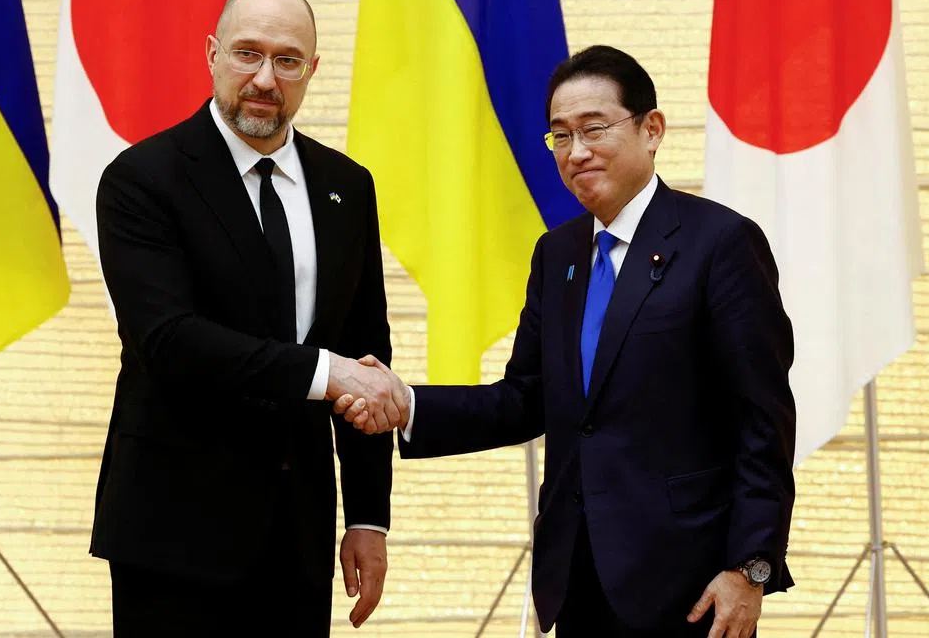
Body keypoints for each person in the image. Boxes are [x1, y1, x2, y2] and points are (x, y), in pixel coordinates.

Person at [338, 45, 797, 637]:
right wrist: (409, 405)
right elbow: (526, 398)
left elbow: (764, 421)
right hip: (575, 576)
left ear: (651, 129)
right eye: (559, 136)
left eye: (594, 129)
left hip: (691, 585)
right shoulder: (557, 255)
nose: (576, 152)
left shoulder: (721, 244)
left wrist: (749, 568)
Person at [90, 0, 407, 636]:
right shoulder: (142, 179)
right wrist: (328, 374)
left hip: (297, 533)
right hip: (173, 533)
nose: (265, 78)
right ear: (211, 55)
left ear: (312, 71)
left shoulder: (347, 187)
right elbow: (169, 340)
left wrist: (368, 517)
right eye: (247, 53)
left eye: (288, 60)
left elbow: (367, 353)